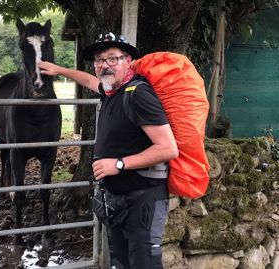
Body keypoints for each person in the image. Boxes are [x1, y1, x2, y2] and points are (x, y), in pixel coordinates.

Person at [38, 32, 178, 269]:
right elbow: (87, 80)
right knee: (120, 263)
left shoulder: (138, 95)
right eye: (99, 60)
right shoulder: (112, 91)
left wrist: (119, 164)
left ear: (128, 61)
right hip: (119, 200)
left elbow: (168, 148)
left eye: (112, 58)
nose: (104, 65)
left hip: (143, 199)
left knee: (144, 263)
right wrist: (60, 70)